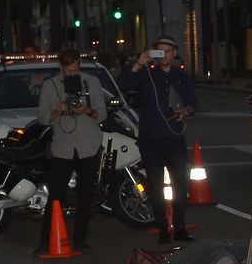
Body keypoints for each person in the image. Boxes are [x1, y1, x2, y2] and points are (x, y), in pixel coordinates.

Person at [119, 35, 199, 245]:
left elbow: (193, 103)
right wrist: (140, 61)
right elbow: (124, 83)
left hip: (174, 138)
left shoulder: (182, 77)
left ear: (174, 53)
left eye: (167, 51)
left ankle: (180, 227)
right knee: (155, 186)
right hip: (151, 139)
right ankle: (163, 228)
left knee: (179, 184)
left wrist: (186, 111)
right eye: (159, 51)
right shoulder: (146, 75)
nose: (163, 55)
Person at [36, 49, 106, 252]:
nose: (72, 74)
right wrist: (56, 111)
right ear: (61, 67)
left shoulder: (91, 82)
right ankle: (45, 241)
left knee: (86, 195)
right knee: (56, 195)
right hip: (63, 146)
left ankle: (81, 240)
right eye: (68, 71)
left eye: (76, 70)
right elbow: (41, 118)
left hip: (88, 145)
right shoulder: (51, 86)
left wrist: (87, 111)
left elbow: (102, 114)